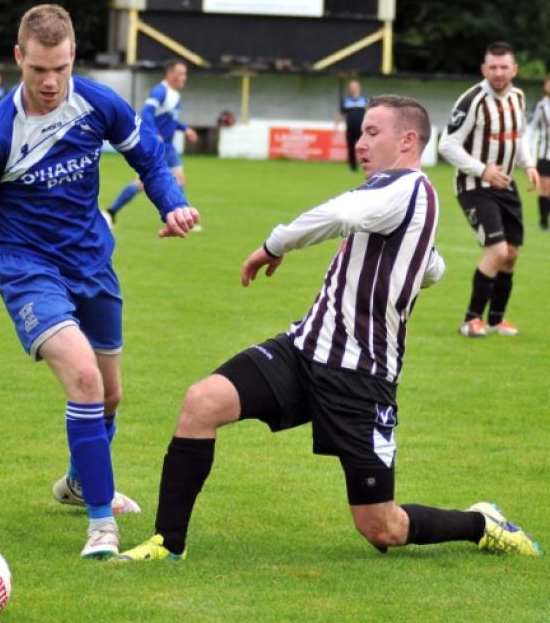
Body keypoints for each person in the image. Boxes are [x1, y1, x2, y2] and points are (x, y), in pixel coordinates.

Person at [117, 95, 542, 562]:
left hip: (361, 379)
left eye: (372, 133)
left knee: (382, 527)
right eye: (360, 132)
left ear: (408, 140)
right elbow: (434, 267)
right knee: (202, 402)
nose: (360, 143)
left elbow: (342, 216)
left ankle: (481, 523)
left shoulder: (408, 188)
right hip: (304, 350)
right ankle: (166, 544)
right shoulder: (393, 193)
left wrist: (273, 245)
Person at [0, 4, 200, 560]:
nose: (50, 81)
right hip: (27, 269)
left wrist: (173, 205)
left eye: (60, 67)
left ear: (73, 57)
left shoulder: (97, 103)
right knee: (84, 379)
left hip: (92, 264)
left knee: (110, 395)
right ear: (19, 58)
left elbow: (150, 159)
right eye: (38, 68)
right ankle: (100, 522)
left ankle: (80, 482)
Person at [438, 41, 539, 338]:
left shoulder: (518, 98)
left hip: (506, 185)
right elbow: (447, 144)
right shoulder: (472, 101)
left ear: (514, 69)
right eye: (492, 67)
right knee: (496, 251)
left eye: (504, 67)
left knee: (511, 254)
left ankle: (496, 320)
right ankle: (471, 320)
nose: (498, 73)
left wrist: (529, 165)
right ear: (484, 69)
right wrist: (483, 170)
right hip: (474, 186)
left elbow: (517, 138)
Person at [105, 59, 198, 226]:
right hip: (160, 147)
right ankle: (111, 211)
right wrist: (156, 133)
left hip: (169, 147)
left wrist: (185, 129)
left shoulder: (175, 95)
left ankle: (183, 216)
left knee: (180, 180)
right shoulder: (160, 92)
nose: (184, 77)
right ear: (170, 74)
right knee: (141, 184)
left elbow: (171, 120)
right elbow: (146, 113)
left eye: (185, 74)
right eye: (181, 74)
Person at [526, 73, 550, 231]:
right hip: (544, 155)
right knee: (545, 189)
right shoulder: (540, 107)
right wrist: (528, 155)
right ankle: (543, 222)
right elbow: (530, 130)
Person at [335, 78, 370, 172]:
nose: (353, 89)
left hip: (362, 129)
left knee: (364, 148)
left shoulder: (365, 99)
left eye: (355, 87)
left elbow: (369, 113)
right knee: (351, 148)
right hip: (350, 128)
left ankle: (367, 166)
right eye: (351, 87)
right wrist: (336, 126)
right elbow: (341, 113)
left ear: (359, 88)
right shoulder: (346, 100)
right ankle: (352, 168)